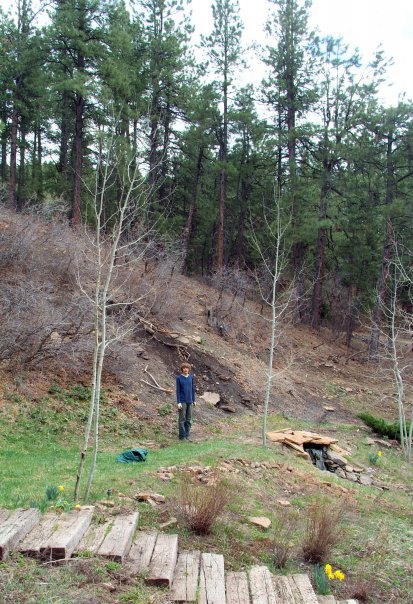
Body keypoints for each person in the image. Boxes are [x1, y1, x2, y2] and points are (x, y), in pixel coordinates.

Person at [176, 362, 196, 440]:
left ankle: (187, 435)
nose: (185, 369)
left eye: (187, 368)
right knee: (182, 419)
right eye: (184, 368)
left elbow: (192, 389)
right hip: (182, 401)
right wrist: (178, 402)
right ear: (182, 369)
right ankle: (182, 436)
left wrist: (194, 400)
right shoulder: (179, 378)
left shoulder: (191, 377)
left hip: (190, 401)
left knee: (189, 419)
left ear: (189, 369)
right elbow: (178, 390)